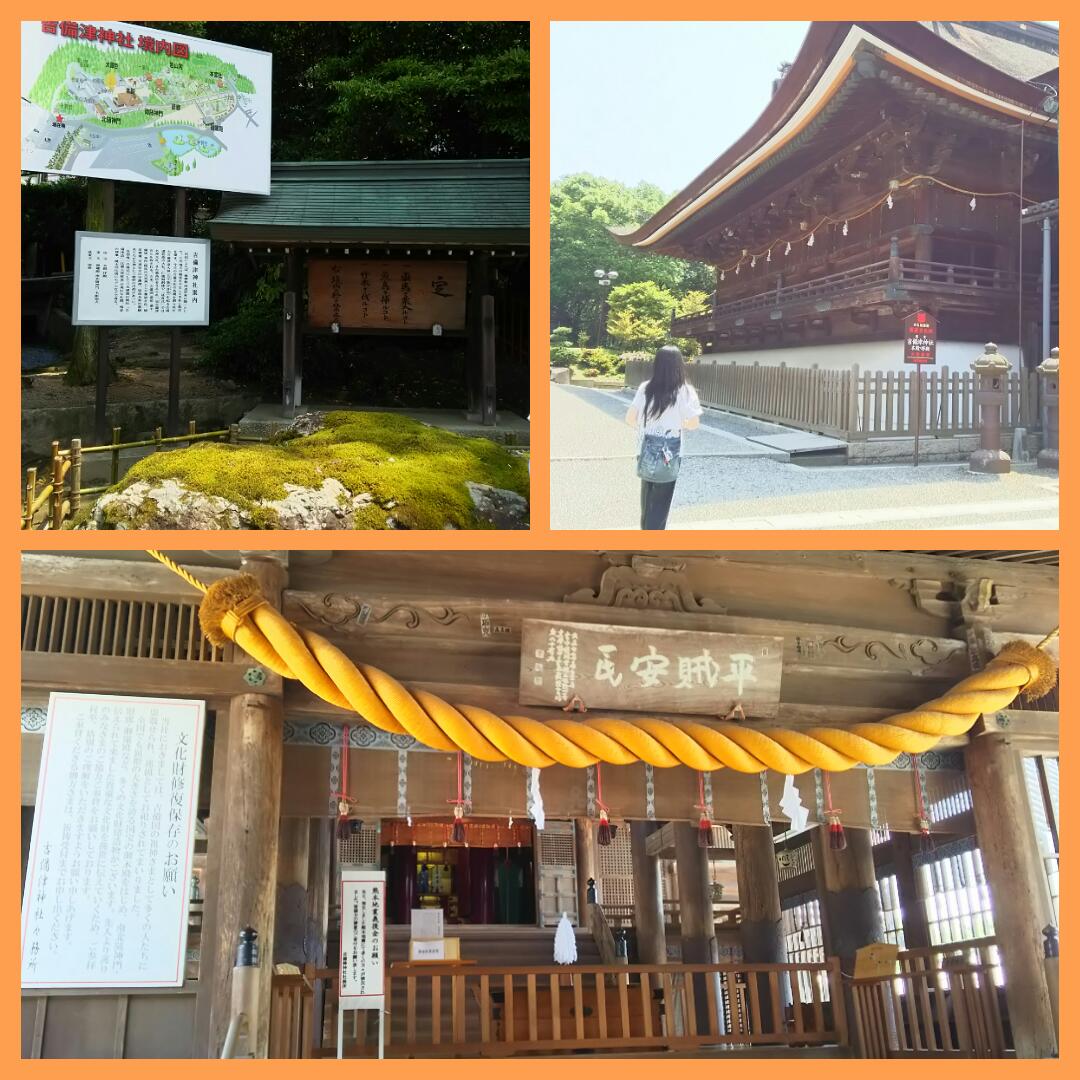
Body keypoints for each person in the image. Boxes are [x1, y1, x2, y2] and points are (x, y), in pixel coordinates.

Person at [625, 344, 702, 529]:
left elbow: (630, 418)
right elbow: (693, 423)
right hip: (671, 452)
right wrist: (679, 423)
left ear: (657, 364)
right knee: (660, 504)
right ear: (679, 365)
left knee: (647, 500)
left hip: (647, 449)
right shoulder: (685, 391)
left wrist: (651, 426)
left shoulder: (646, 388)